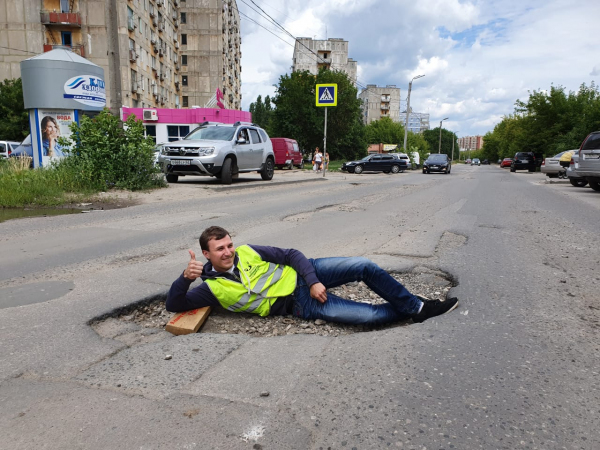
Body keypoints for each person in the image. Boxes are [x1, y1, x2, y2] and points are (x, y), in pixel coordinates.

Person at [166, 226, 459, 326]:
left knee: (363, 264)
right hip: (301, 305)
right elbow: (174, 306)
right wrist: (184, 279)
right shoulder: (211, 288)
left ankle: (417, 307)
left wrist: (314, 279)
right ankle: (409, 306)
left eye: (229, 244)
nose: (228, 251)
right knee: (369, 318)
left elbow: (292, 254)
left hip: (309, 273)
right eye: (220, 249)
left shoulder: (248, 251)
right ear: (207, 254)